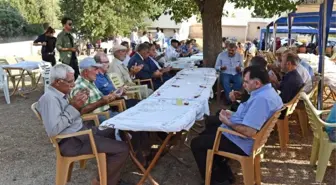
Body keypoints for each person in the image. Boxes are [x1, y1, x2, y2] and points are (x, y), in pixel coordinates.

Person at [36, 64, 130, 185]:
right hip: (72, 142)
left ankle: (106, 177)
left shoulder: (59, 94)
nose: (73, 85)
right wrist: (74, 107)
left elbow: (69, 116)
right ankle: (105, 182)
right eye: (70, 82)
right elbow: (53, 130)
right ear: (58, 82)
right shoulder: (49, 99)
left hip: (81, 132)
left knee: (117, 129)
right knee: (122, 149)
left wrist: (77, 105)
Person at [191, 65, 283, 185]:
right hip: (245, 138)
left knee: (196, 143)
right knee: (208, 130)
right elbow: (251, 117)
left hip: (242, 142)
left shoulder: (261, 100)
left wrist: (228, 122)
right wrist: (232, 115)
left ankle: (216, 180)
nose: (243, 85)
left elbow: (249, 132)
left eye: (246, 82)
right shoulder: (269, 92)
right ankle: (220, 167)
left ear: (257, 83)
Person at [70, 58, 119, 123]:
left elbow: (99, 101)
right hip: (97, 118)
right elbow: (81, 111)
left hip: (106, 113)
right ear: (86, 72)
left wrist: (109, 97)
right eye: (95, 69)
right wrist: (101, 102)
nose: (97, 72)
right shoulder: (80, 87)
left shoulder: (89, 81)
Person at [270, 51, 304, 119]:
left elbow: (282, 99)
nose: (280, 64)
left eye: (282, 61)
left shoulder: (291, 79)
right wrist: (276, 82)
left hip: (281, 110)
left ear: (288, 64)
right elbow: (283, 90)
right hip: (286, 106)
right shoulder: (293, 75)